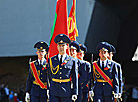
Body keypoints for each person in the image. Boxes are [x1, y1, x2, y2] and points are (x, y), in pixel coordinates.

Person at [48, 34, 78, 102]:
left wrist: (75, 92)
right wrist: (48, 88)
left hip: (66, 90)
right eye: (60, 45)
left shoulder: (72, 60)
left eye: (63, 45)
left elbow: (74, 77)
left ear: (67, 47)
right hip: (54, 90)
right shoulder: (52, 60)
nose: (61, 47)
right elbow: (49, 76)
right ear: (57, 47)